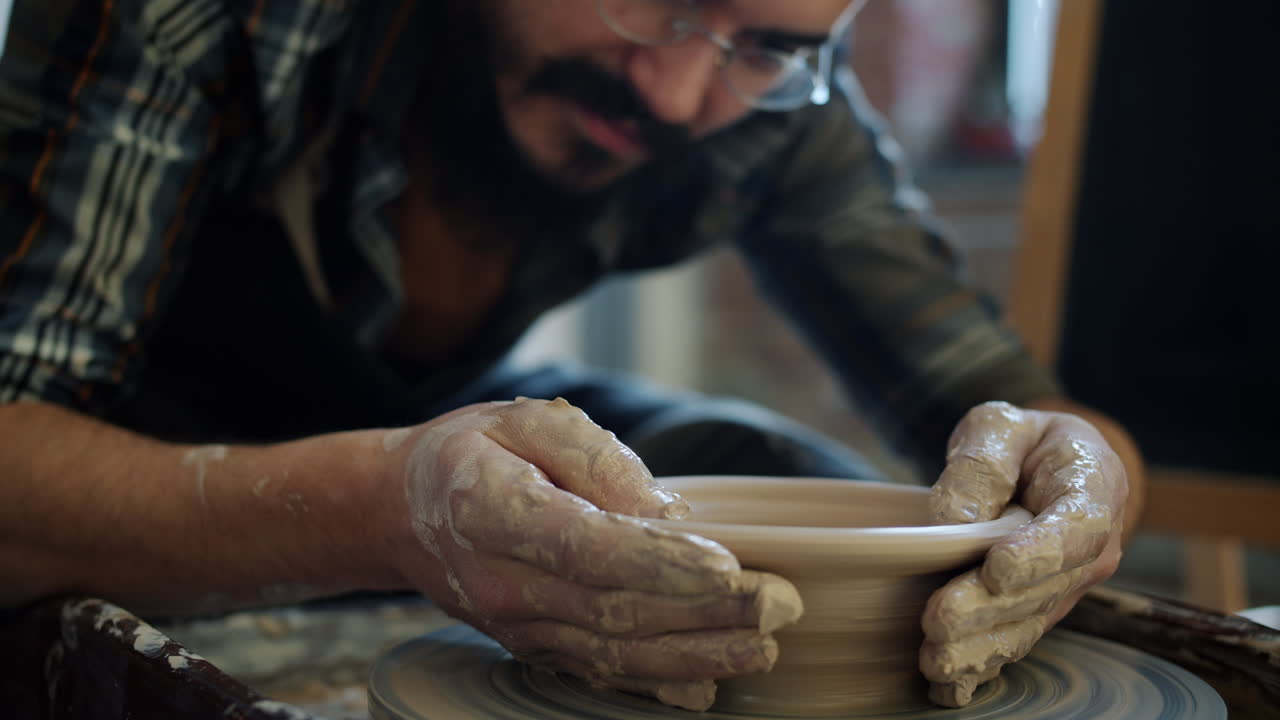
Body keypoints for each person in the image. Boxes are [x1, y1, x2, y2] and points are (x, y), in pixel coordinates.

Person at [0, 0, 1142, 710]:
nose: (679, 91)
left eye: (767, 46)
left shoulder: (770, 103)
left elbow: (1023, 415)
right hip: (119, 450)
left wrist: (1074, 488)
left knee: (772, 472)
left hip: (412, 424)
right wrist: (386, 511)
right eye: (659, 1)